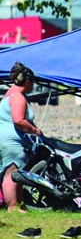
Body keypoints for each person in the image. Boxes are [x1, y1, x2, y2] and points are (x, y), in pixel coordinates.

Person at [1, 63, 43, 213]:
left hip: (7, 140)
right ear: (27, 82)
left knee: (15, 173)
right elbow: (18, 120)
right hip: (11, 142)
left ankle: (19, 205)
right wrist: (34, 130)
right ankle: (12, 207)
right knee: (11, 173)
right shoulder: (18, 97)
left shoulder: (9, 94)